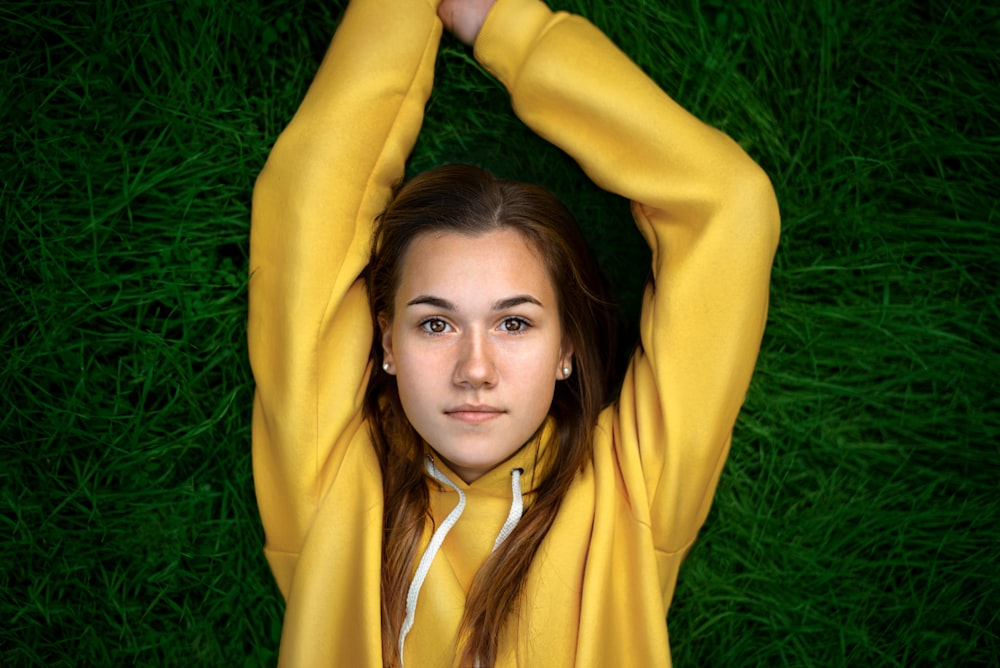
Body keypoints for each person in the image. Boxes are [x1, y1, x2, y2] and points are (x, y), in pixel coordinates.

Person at [249, 0, 780, 665]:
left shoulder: (630, 495)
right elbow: (309, 197)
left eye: (514, 322)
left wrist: (503, 24)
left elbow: (729, 208)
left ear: (565, 350)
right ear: (386, 343)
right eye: (436, 323)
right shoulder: (332, 483)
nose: (475, 368)